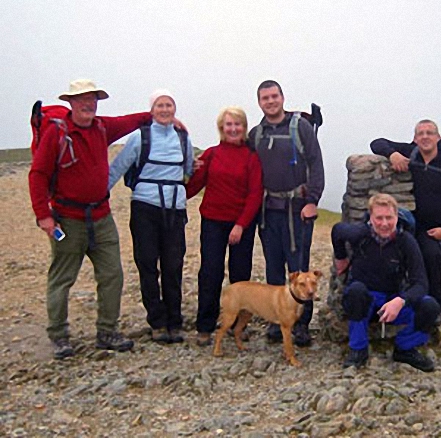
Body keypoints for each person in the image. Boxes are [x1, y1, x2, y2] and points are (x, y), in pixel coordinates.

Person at [29, 79, 153, 359]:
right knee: (62, 279)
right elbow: (37, 175)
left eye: (92, 99)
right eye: (82, 99)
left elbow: (129, 120)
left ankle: (107, 331)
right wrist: (43, 216)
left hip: (101, 217)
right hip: (67, 220)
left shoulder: (101, 127)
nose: (88, 104)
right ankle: (59, 336)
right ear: (70, 103)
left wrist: (163, 116)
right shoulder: (56, 134)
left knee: (112, 275)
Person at [371, 120, 441, 338]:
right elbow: (376, 143)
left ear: (438, 138)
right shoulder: (412, 154)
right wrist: (393, 155)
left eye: (430, 133)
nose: (425, 137)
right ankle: (434, 311)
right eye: (421, 134)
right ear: (415, 138)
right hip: (426, 229)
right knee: (431, 262)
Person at [108, 89, 194, 344]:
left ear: (174, 109)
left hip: (174, 210)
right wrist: (95, 197)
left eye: (169, 105)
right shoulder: (139, 137)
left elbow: (187, 169)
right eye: (160, 105)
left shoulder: (183, 138)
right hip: (145, 207)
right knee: (147, 265)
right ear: (152, 110)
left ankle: (174, 321)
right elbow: (118, 168)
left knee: (173, 265)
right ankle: (157, 323)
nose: (165, 109)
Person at [249, 80, 325, 346]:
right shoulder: (256, 134)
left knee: (299, 269)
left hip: (298, 210)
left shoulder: (301, 127)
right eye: (264, 98)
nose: (270, 101)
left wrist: (313, 200)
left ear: (282, 97)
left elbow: (316, 162)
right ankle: (276, 320)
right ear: (259, 102)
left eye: (274, 96)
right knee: (272, 268)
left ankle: (301, 324)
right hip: (268, 212)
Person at [332, 193, 441, 372]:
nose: (384, 223)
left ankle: (405, 348)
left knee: (430, 307)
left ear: (397, 216)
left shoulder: (407, 242)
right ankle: (358, 349)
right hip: (365, 300)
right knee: (355, 291)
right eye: (379, 218)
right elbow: (337, 230)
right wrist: (340, 257)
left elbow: (421, 283)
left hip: (393, 301)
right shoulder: (360, 234)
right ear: (370, 218)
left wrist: (401, 300)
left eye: (389, 217)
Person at [186, 106, 263, 347]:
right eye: (228, 125)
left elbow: (255, 194)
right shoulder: (211, 154)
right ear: (222, 128)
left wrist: (240, 225)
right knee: (210, 273)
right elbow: (193, 187)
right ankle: (205, 325)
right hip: (212, 222)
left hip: (242, 224)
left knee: (240, 276)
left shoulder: (251, 158)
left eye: (237, 125)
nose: (233, 129)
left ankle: (238, 324)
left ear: (244, 128)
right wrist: (182, 176)